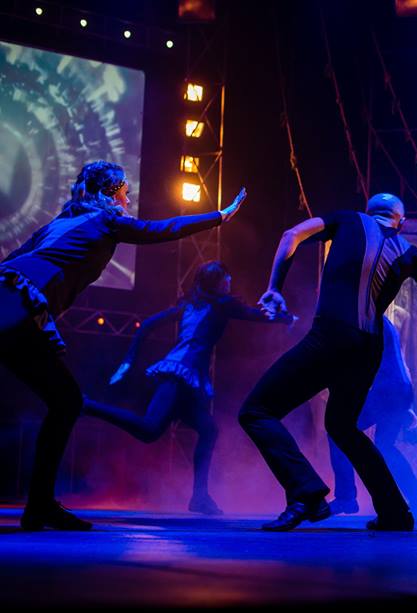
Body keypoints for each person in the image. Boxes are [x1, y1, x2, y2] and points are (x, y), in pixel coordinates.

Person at [239, 193, 417, 531]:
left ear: (368, 212)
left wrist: (274, 288)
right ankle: (395, 512)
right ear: (401, 222)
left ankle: (306, 492)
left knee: (257, 411)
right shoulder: (408, 251)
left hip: (332, 335)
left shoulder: (348, 219)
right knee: (343, 427)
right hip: (368, 348)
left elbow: (291, 235)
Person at [0, 160, 244, 530]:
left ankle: (40, 506)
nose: (128, 201)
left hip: (11, 300)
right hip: (16, 305)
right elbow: (162, 229)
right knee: (66, 400)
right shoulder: (107, 221)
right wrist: (220, 216)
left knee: (65, 400)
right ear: (110, 193)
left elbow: (12, 260)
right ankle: (40, 506)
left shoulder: (59, 223)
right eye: (125, 193)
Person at [85, 261, 293, 515]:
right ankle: (87, 405)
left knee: (208, 429)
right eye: (226, 277)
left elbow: (148, 324)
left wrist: (128, 362)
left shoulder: (192, 305)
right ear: (217, 282)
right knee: (149, 429)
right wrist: (285, 318)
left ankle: (200, 497)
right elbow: (253, 315)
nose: (230, 281)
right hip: (179, 374)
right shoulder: (222, 304)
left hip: (187, 377)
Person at [326, 316, 417, 516]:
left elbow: (363, 361)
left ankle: (346, 497)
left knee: (337, 429)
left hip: (387, 391)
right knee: (384, 447)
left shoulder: (365, 318)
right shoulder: (380, 320)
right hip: (399, 389)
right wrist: (406, 402)